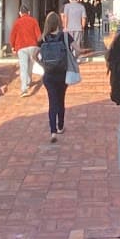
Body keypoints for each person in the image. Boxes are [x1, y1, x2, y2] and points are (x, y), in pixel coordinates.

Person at [39, 10, 75, 141]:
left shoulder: (43, 38)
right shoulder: (65, 37)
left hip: (49, 75)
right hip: (62, 73)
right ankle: (60, 126)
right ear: (59, 22)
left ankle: (53, 131)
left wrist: (42, 64)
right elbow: (77, 49)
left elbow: (33, 56)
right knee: (61, 100)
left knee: (52, 101)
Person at [9, 5, 42, 96]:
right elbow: (39, 36)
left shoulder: (17, 22)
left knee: (23, 67)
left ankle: (24, 88)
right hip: (32, 46)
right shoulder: (34, 21)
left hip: (21, 47)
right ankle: (28, 81)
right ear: (29, 12)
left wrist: (12, 46)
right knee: (30, 65)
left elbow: (13, 36)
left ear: (20, 13)